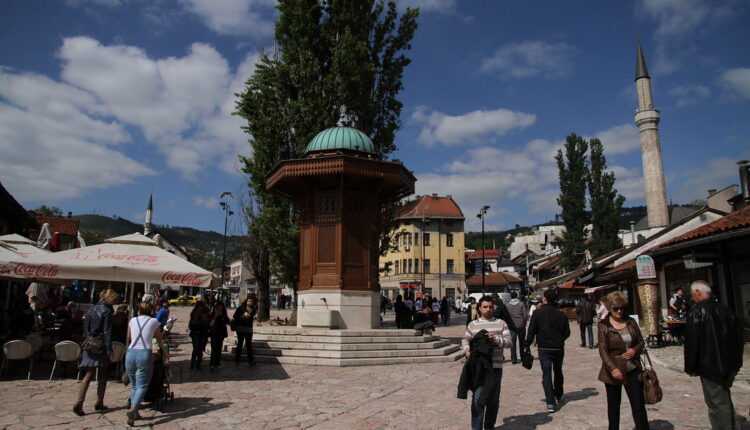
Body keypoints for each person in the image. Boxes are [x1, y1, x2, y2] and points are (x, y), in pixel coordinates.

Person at [685, 280, 744, 429]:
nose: (693, 298)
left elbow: (692, 343)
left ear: (698, 292)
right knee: (725, 398)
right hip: (730, 364)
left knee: (717, 403)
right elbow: (740, 339)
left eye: (693, 295)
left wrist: (690, 367)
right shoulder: (727, 310)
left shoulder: (697, 312)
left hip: (710, 365)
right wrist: (738, 362)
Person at [597, 291, 648, 430]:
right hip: (614, 370)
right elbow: (603, 350)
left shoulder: (631, 322)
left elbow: (641, 342)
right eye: (616, 308)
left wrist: (634, 350)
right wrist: (613, 368)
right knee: (614, 408)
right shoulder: (604, 325)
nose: (619, 311)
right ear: (609, 308)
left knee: (638, 406)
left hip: (632, 368)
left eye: (622, 308)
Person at [460, 296, 512, 430]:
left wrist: (495, 339)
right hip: (479, 368)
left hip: (495, 367)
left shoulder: (501, 323)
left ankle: (489, 426)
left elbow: (509, 342)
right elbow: (465, 340)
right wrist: (467, 350)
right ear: (480, 308)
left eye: (490, 307)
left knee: (493, 400)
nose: (488, 309)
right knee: (478, 399)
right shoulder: (473, 324)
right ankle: (476, 427)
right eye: (485, 307)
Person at [524, 288, 570, 413]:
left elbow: (531, 330)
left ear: (544, 299)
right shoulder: (561, 314)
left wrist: (527, 344)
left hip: (544, 348)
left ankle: (550, 402)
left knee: (546, 373)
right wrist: (560, 339)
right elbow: (567, 332)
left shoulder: (537, 313)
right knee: (558, 370)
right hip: (558, 347)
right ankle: (558, 394)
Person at [73, 289, 119, 416]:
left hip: (90, 343)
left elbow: (85, 326)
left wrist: (87, 340)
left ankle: (79, 401)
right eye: (114, 298)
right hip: (101, 346)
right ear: (109, 298)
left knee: (89, 373)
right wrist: (109, 350)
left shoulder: (92, 309)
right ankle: (99, 402)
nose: (115, 301)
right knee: (103, 374)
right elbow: (107, 332)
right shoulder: (108, 310)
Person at [125, 301, 164, 426]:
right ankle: (134, 408)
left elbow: (129, 337)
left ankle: (135, 413)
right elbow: (159, 339)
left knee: (134, 385)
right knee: (142, 385)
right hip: (144, 353)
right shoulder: (154, 322)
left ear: (139, 310)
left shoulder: (132, 320)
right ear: (150, 311)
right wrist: (163, 352)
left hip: (131, 353)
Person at [233, 296, 257, 366]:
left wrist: (245, 315)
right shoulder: (240, 308)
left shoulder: (253, 309)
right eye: (249, 301)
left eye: (251, 301)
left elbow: (249, 315)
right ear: (246, 301)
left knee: (248, 344)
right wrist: (242, 316)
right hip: (240, 328)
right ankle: (237, 359)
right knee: (240, 343)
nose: (250, 303)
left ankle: (251, 361)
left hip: (248, 329)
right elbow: (235, 316)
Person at [506, 291, 528, 364]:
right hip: (521, 325)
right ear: (517, 296)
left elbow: (507, 316)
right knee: (522, 342)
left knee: (513, 343)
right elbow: (525, 315)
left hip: (512, 326)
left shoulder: (508, 305)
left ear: (511, 297)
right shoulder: (521, 304)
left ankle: (513, 359)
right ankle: (523, 357)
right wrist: (524, 323)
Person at [188, 298, 210, 370]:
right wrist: (197, 317)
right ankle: (192, 363)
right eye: (199, 306)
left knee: (200, 349)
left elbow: (207, 325)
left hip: (203, 333)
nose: (200, 308)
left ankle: (198, 364)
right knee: (195, 349)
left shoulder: (206, 313)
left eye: (202, 306)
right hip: (195, 333)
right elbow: (191, 324)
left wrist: (204, 319)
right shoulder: (194, 313)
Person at [208, 301, 229, 370]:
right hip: (214, 333)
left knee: (219, 348)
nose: (219, 309)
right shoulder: (212, 314)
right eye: (218, 308)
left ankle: (217, 362)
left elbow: (228, 322)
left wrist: (222, 316)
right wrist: (216, 316)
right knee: (214, 348)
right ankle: (212, 363)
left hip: (221, 334)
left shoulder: (224, 315)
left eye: (221, 308)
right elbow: (210, 324)